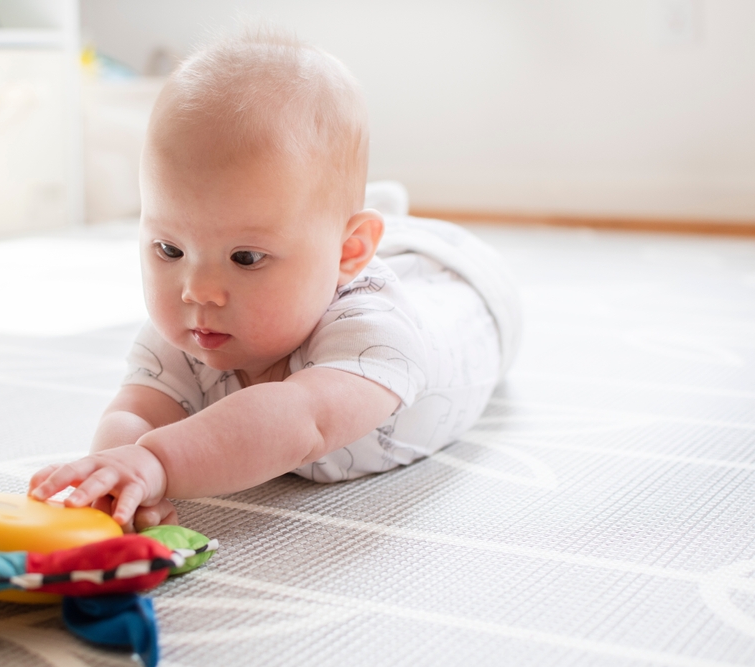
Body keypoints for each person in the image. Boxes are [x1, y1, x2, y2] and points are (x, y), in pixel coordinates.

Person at [28, 28, 521, 530]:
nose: (196, 289)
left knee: (377, 250)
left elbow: (297, 421)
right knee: (307, 225)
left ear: (350, 253)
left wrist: (158, 464)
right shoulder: (192, 325)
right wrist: (114, 472)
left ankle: (374, 229)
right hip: (333, 252)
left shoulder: (375, 335)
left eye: (244, 257)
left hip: (467, 291)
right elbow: (138, 410)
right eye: (169, 249)